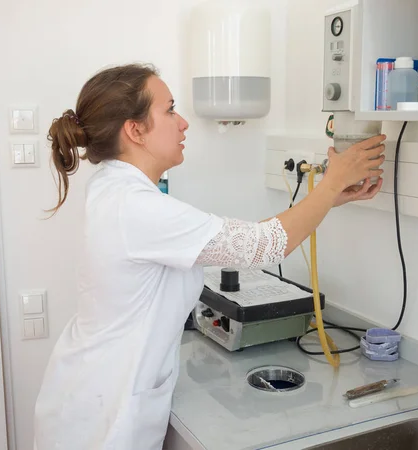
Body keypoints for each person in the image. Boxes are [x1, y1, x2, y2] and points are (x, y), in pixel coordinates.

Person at [34, 63, 386, 450]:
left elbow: (246, 239)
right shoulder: (133, 205)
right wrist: (332, 180)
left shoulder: (118, 189)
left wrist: (326, 198)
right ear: (135, 130)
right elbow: (262, 245)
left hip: (95, 389)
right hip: (102, 416)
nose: (183, 122)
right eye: (169, 110)